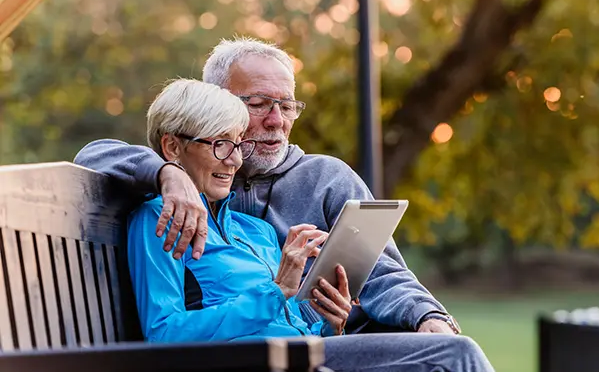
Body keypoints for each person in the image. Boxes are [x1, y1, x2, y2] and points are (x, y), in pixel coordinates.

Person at [74, 36, 459, 335]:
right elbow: (95, 154)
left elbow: (383, 272)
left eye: (287, 105)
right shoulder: (190, 173)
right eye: (258, 104)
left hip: (339, 341)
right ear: (218, 106)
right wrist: (167, 174)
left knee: (448, 350)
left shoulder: (324, 179)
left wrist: (426, 317)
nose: (277, 120)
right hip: (259, 356)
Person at [128, 78, 494, 372]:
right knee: (452, 355)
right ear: (173, 148)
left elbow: (291, 317)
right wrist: (276, 291)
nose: (234, 161)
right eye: (221, 145)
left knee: (441, 351)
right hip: (256, 362)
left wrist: (328, 319)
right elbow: (164, 334)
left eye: (238, 145)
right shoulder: (157, 220)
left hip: (309, 353)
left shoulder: (253, 230)